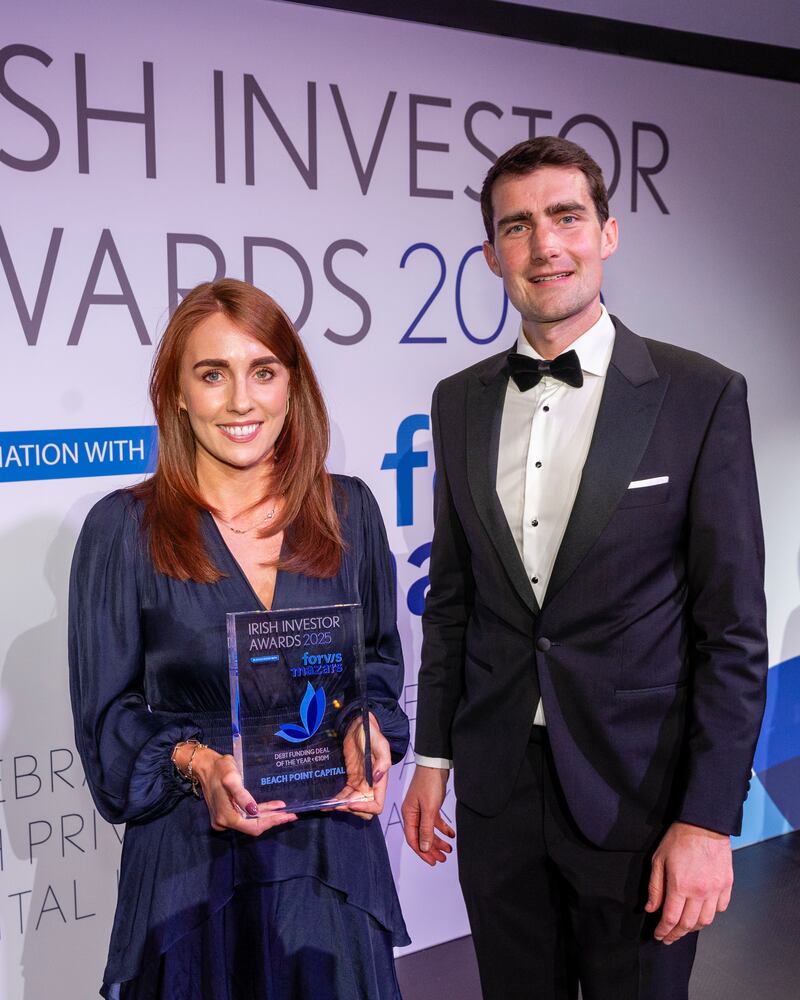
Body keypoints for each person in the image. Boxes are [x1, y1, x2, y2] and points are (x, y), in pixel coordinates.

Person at [401, 136, 767, 1000]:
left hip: (639, 796)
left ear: (608, 232)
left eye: (566, 217)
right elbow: (453, 600)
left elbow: (733, 633)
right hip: (497, 794)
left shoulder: (700, 395)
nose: (545, 246)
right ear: (492, 254)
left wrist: (709, 821)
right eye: (518, 227)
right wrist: (433, 759)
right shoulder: (458, 400)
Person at [69, 279, 409, 999]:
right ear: (178, 394)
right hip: (191, 871)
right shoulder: (121, 532)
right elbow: (108, 728)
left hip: (329, 863)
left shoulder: (349, 510)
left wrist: (368, 733)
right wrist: (195, 763)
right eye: (212, 374)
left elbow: (376, 665)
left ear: (293, 385)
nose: (241, 401)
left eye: (263, 371)